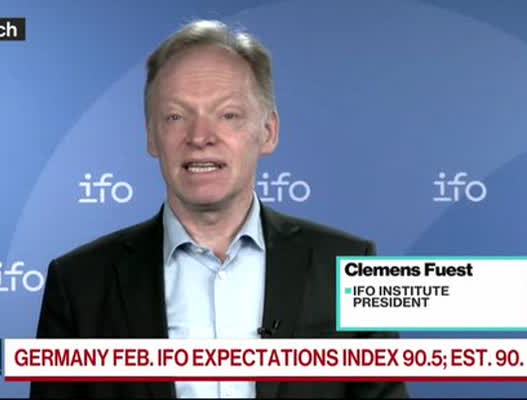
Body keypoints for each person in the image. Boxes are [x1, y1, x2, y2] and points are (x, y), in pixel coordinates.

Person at [31, 19, 408, 399]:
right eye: (176, 116)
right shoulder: (79, 284)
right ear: (151, 135)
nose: (200, 137)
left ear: (268, 132)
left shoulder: (348, 266)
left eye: (227, 115)